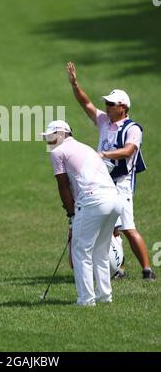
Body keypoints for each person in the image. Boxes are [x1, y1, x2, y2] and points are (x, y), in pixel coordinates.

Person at [66, 62, 155, 280]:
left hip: (122, 183)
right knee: (109, 229)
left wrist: (104, 155)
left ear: (122, 106)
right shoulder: (104, 121)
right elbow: (86, 104)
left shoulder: (132, 128)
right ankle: (117, 269)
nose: (107, 106)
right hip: (103, 183)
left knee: (127, 227)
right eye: (106, 103)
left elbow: (129, 150)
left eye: (111, 104)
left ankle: (147, 270)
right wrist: (75, 84)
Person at [42, 120, 123, 306]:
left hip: (93, 201)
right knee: (100, 251)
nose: (48, 141)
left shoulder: (57, 152)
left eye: (50, 137)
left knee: (81, 250)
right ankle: (104, 296)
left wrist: (71, 215)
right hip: (114, 199)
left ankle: (86, 300)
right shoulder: (85, 147)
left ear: (61, 134)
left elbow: (62, 185)